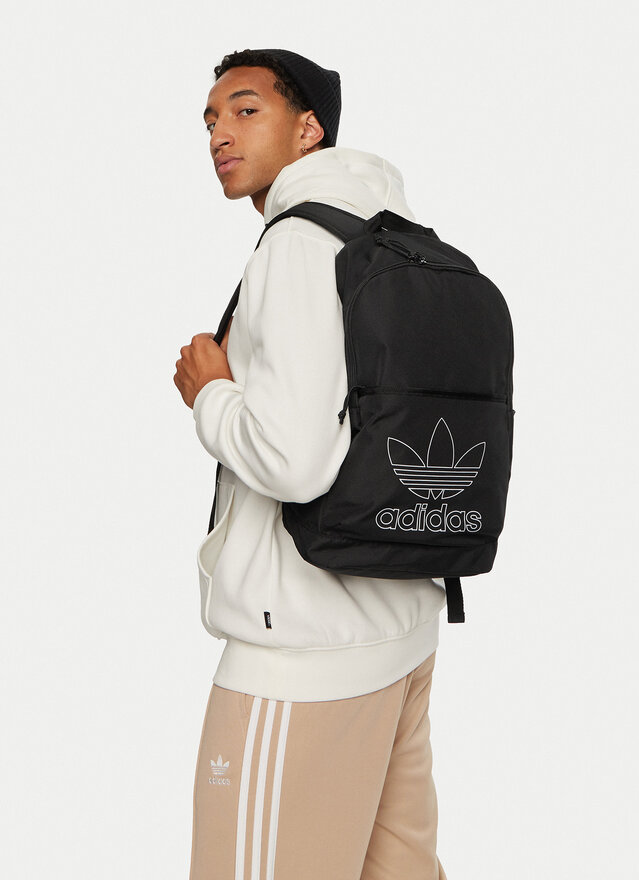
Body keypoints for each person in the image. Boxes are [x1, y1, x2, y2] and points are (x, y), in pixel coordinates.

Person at [173, 48, 449, 880]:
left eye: (246, 109)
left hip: (300, 658)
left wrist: (211, 394)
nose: (220, 133)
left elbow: (294, 461)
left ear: (309, 129)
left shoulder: (297, 244)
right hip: (400, 630)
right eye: (210, 120)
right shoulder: (391, 236)